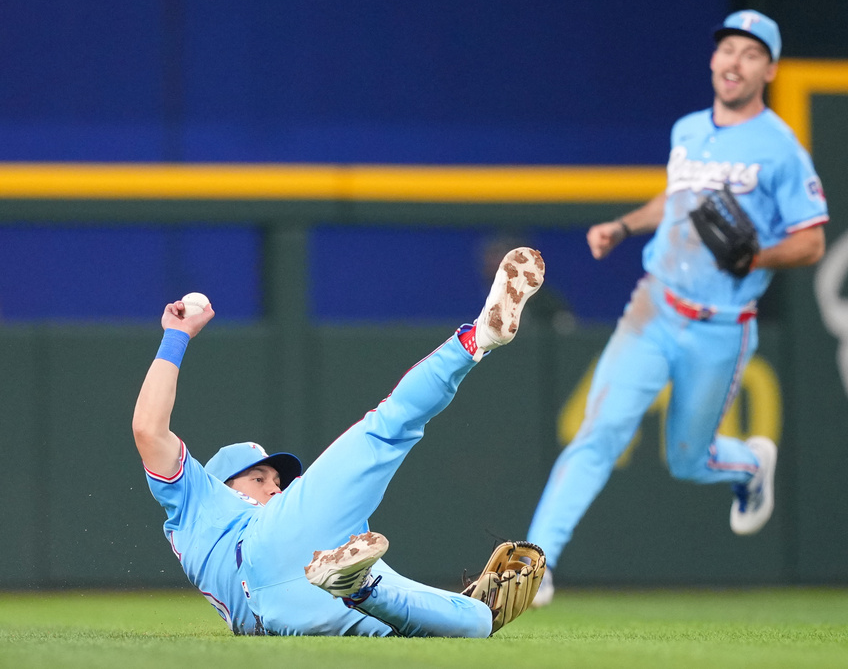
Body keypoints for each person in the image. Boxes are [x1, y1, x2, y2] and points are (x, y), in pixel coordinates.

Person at [526, 10, 828, 607]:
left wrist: (756, 258)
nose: (733, 62)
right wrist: (622, 224)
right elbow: (676, 198)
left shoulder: (781, 149)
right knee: (598, 433)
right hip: (654, 305)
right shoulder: (689, 129)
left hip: (721, 327)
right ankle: (537, 565)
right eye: (726, 50)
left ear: (768, 68)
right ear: (713, 60)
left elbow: (813, 240)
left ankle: (747, 467)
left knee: (689, 461)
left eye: (749, 53)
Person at [133, 247, 546, 637]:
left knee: (476, 621)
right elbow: (148, 429)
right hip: (262, 549)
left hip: (294, 608)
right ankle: (477, 340)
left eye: (277, 480)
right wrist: (177, 334)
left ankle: (357, 586)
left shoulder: (299, 514)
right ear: (220, 482)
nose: (275, 485)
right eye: (258, 478)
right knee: (389, 425)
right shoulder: (195, 498)